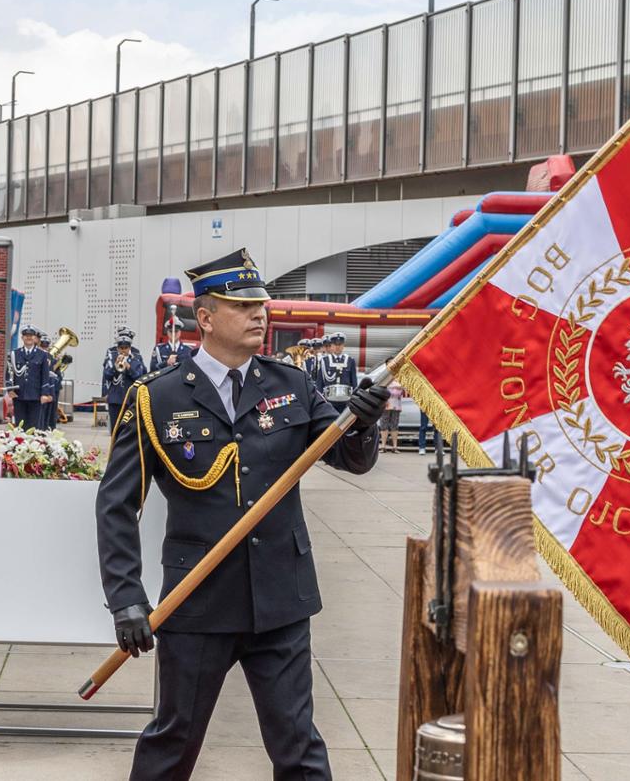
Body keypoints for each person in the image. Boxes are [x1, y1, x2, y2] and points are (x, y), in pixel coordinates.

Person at [97, 248, 387, 781]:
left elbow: (350, 457)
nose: (260, 315)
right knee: (172, 743)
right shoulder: (154, 398)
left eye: (262, 305)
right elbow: (116, 505)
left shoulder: (291, 385)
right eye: (242, 305)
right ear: (205, 318)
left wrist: (364, 421)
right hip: (197, 602)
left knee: (299, 748)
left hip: (280, 599)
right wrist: (125, 599)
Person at [8, 326, 52, 429]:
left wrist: (45, 393)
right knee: (19, 426)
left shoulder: (42, 355)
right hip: (18, 395)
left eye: (31, 336)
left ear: (35, 338)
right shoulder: (15, 354)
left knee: (34, 426)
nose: (29, 338)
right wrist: (10, 389)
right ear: (22, 337)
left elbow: (45, 376)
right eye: (26, 336)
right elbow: (9, 372)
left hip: (35, 396)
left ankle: (33, 445)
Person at [101, 332, 147, 428]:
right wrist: (115, 366)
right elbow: (107, 375)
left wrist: (129, 368)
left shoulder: (136, 358)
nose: (123, 350)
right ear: (117, 348)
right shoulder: (112, 358)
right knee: (115, 428)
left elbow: (139, 377)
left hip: (130, 399)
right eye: (121, 348)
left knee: (128, 428)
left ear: (129, 348)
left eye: (125, 347)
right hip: (115, 399)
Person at [383, 381, 405, 453]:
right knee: (384, 426)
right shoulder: (386, 376)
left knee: (394, 426)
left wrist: (393, 387)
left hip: (396, 406)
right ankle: (383, 446)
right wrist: (397, 387)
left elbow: (403, 388)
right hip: (386, 405)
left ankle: (395, 447)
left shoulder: (400, 377)